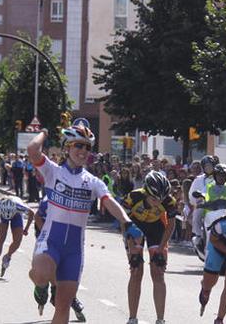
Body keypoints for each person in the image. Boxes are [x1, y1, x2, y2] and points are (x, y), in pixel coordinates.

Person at [27, 126, 138, 324]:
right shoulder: (53, 171)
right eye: (78, 145)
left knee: (62, 308)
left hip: (74, 250)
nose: (83, 151)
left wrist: (126, 221)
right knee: (42, 274)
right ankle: (40, 285)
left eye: (87, 147)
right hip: (51, 240)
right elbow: (33, 150)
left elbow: (109, 201)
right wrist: (44, 131)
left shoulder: (93, 181)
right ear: (66, 148)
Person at [120, 171, 177, 324]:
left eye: (161, 199)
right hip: (134, 227)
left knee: (158, 272)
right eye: (154, 199)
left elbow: (171, 225)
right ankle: (132, 318)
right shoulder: (133, 197)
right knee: (136, 270)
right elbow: (123, 222)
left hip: (156, 228)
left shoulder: (169, 202)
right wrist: (131, 248)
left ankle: (160, 319)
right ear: (146, 192)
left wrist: (161, 248)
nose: (158, 202)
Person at [0, 196, 34, 279]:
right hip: (2, 216)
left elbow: (32, 213)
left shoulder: (19, 207)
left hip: (16, 214)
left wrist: (26, 229)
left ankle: (7, 256)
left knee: (17, 241)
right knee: (1, 237)